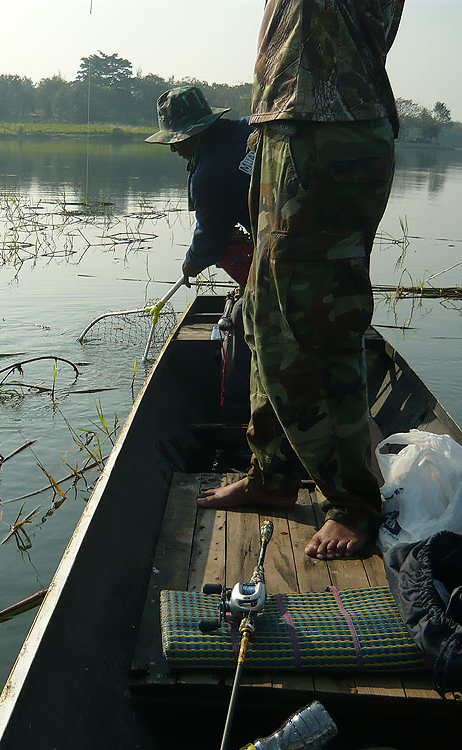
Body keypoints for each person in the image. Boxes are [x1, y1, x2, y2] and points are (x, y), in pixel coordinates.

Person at [198, 0, 405, 561]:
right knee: (264, 317)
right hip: (285, 128)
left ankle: (355, 504)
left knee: (316, 327)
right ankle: (273, 472)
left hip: (328, 130)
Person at [145, 85, 255, 289]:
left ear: (195, 135)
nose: (173, 148)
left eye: (176, 140)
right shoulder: (250, 125)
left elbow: (209, 241)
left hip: (299, 248)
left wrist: (191, 264)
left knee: (241, 316)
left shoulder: (209, 176)